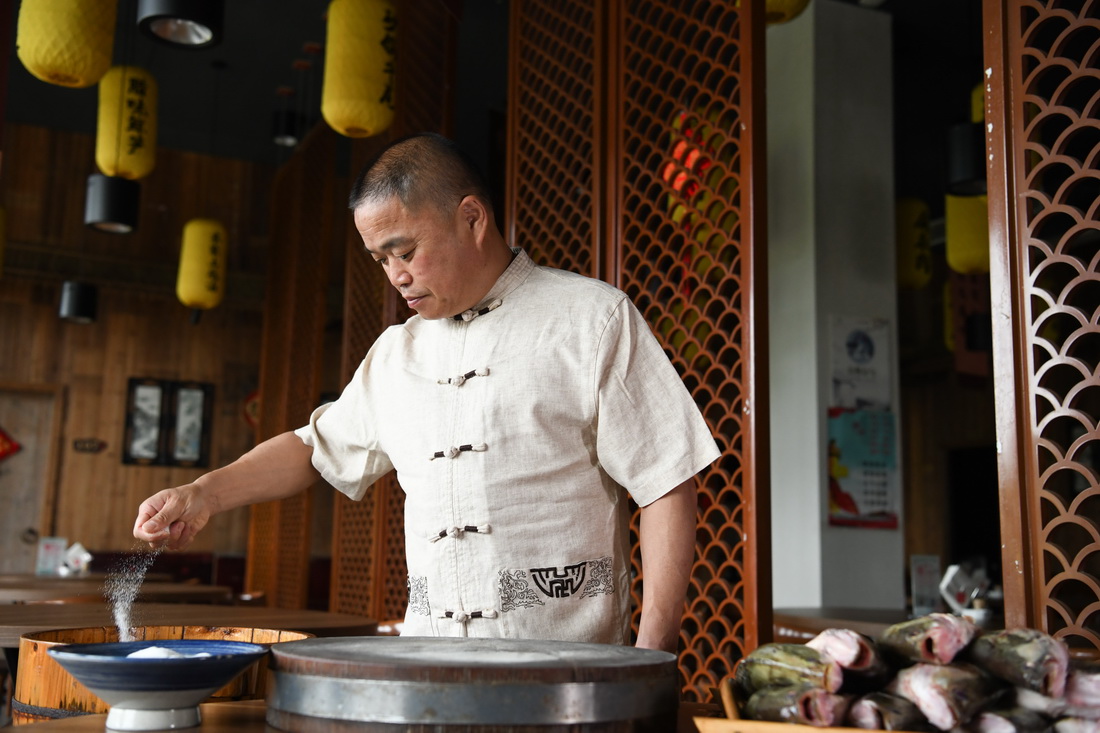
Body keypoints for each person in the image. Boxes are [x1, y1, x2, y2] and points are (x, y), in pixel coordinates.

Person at [133, 133, 720, 652]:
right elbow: (314, 448)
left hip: (570, 673)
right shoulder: (396, 354)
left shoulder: (590, 319)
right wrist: (204, 493)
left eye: (405, 251)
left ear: (472, 218)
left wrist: (649, 658)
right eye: (379, 259)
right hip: (429, 670)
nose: (395, 276)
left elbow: (666, 481)